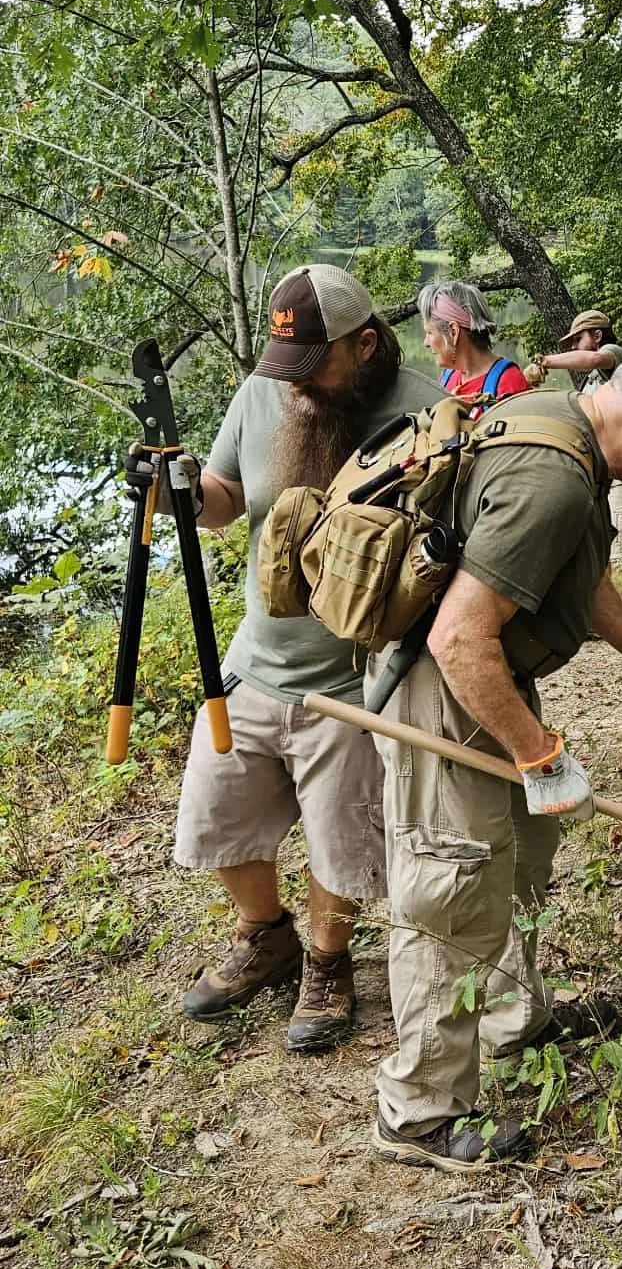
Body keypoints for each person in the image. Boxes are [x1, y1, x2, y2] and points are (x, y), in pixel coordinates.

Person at [370, 318, 622, 1174]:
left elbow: (580, 576)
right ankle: (418, 1109)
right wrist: (541, 756)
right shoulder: (552, 473)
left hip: (490, 670)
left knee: (525, 847)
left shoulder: (570, 435)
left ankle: (514, 1015)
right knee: (452, 880)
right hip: (443, 685)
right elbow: (459, 639)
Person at [154, 265, 435, 1051]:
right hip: (256, 660)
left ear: (366, 345)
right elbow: (220, 499)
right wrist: (177, 486)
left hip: (359, 677)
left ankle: (326, 961)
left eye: (316, 364)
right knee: (218, 817)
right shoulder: (264, 392)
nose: (298, 384)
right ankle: (267, 936)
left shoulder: (423, 407)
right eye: (289, 366)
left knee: (338, 838)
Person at [526, 310, 622, 642]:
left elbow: (589, 358)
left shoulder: (618, 360)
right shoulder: (593, 380)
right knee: (598, 546)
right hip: (604, 471)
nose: (575, 346)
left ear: (596, 336)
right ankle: (599, 620)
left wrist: (546, 361)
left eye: (578, 339)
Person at [419, 279, 531, 400]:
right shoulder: (448, 377)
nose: (426, 343)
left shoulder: (509, 384)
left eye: (429, 333)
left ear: (453, 332)